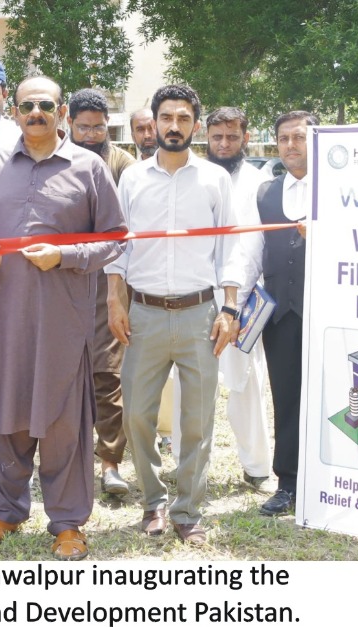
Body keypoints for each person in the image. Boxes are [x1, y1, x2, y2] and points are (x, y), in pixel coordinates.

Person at [0, 76, 125, 560]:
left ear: (61, 111)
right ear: (13, 111)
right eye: (26, 105)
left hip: (64, 318)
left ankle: (67, 522)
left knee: (62, 420)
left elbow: (116, 237)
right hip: (5, 318)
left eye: (45, 105)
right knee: (7, 414)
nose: (35, 112)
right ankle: (7, 510)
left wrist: (66, 258)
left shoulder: (89, 167)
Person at [105, 84, 246, 546]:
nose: (173, 126)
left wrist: (228, 308)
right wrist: (114, 299)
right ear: (155, 121)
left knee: (197, 420)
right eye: (166, 117)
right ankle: (153, 501)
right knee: (139, 415)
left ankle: (188, 508)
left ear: (195, 126)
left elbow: (229, 248)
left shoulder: (214, 180)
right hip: (142, 314)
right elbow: (119, 247)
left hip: (199, 314)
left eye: (183, 118)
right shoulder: (133, 178)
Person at [67, 87, 137, 496]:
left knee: (107, 372)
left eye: (99, 127)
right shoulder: (57, 157)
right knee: (62, 371)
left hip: (107, 279)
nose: (92, 134)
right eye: (84, 127)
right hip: (59, 276)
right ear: (69, 123)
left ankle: (110, 463)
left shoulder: (122, 163)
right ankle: (64, 458)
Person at [203, 106, 271, 490]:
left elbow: (253, 245)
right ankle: (189, 465)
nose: (224, 144)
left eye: (232, 136)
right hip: (194, 298)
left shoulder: (259, 181)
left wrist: (237, 304)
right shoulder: (196, 176)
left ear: (246, 138)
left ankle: (257, 468)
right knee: (191, 385)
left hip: (242, 303)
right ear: (206, 137)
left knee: (246, 385)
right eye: (217, 137)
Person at [254, 110, 317, 518]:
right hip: (280, 316)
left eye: (300, 137)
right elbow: (250, 253)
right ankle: (288, 482)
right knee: (287, 398)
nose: (291, 145)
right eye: (284, 139)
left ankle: (329, 480)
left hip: (327, 312)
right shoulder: (264, 193)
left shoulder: (341, 190)